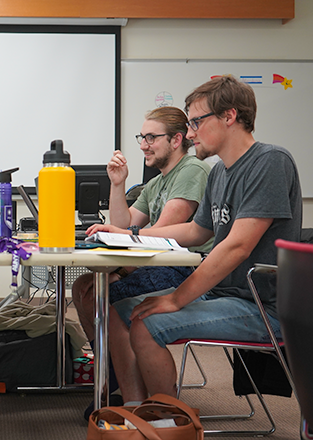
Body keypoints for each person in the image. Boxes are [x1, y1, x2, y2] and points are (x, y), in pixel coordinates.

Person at [105, 76, 302, 405]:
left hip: (261, 305)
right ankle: (137, 407)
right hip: (224, 293)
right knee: (123, 309)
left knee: (146, 324)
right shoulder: (220, 172)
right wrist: (131, 234)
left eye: (197, 121)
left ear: (229, 116)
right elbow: (197, 232)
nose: (191, 132)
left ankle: (166, 420)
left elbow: (238, 246)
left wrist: (177, 299)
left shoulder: (270, 161)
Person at [72, 106, 211, 344]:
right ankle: (104, 371)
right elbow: (124, 225)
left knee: (99, 294)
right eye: (142, 138)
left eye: (151, 138)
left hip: (187, 270)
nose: (143, 145)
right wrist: (117, 183)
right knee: (82, 286)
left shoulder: (192, 170)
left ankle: (110, 374)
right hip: (160, 264)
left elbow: (159, 236)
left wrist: (123, 270)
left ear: (176, 139)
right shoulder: (156, 183)